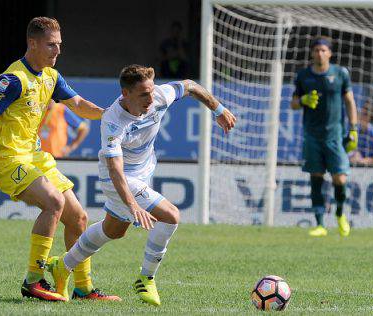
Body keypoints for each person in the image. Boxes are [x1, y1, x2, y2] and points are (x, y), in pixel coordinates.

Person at [47, 64, 236, 306]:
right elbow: (115, 168)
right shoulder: (113, 121)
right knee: (170, 216)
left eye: (151, 91)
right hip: (118, 178)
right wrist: (132, 204)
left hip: (143, 171)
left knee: (113, 230)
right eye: (143, 94)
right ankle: (146, 278)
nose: (150, 98)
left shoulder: (158, 95)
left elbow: (190, 86)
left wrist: (217, 109)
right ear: (126, 94)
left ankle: (62, 266)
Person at [0, 17, 119, 302]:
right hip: (9, 160)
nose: (57, 51)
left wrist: (112, 114)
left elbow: (80, 106)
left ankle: (83, 288)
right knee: (54, 202)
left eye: (59, 45)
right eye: (50, 45)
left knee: (79, 218)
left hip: (36, 158)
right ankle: (33, 280)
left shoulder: (52, 77)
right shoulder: (12, 80)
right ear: (32, 43)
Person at [291, 36, 358, 237]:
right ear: (312, 53)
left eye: (323, 50)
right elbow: (293, 104)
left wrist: (353, 129)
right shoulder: (303, 76)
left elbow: (349, 101)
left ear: (330, 53)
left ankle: (339, 214)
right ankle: (320, 224)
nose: (319, 53)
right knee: (316, 177)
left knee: (340, 178)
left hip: (334, 136)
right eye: (316, 50)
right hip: (312, 135)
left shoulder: (340, 74)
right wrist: (302, 100)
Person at [349, 102, 373, 166]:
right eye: (361, 113)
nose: (361, 116)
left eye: (364, 114)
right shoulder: (357, 131)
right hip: (358, 168)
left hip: (371, 171)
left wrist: (361, 160)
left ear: (369, 117)